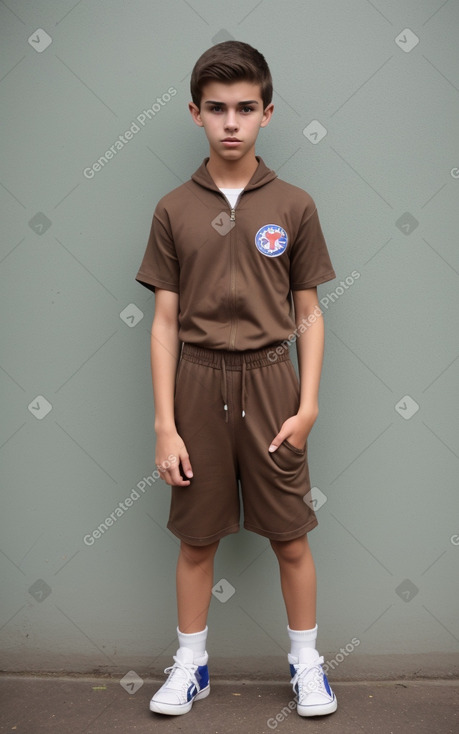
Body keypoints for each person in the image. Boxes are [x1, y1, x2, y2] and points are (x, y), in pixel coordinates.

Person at [135, 40, 338, 718]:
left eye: (245, 108)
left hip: (271, 381)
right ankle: (190, 666)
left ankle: (307, 665)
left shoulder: (295, 204)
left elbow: (306, 314)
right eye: (216, 108)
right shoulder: (172, 209)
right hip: (196, 385)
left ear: (267, 113)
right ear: (195, 113)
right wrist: (165, 424)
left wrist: (307, 406)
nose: (231, 122)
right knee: (196, 539)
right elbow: (163, 324)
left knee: (290, 535)